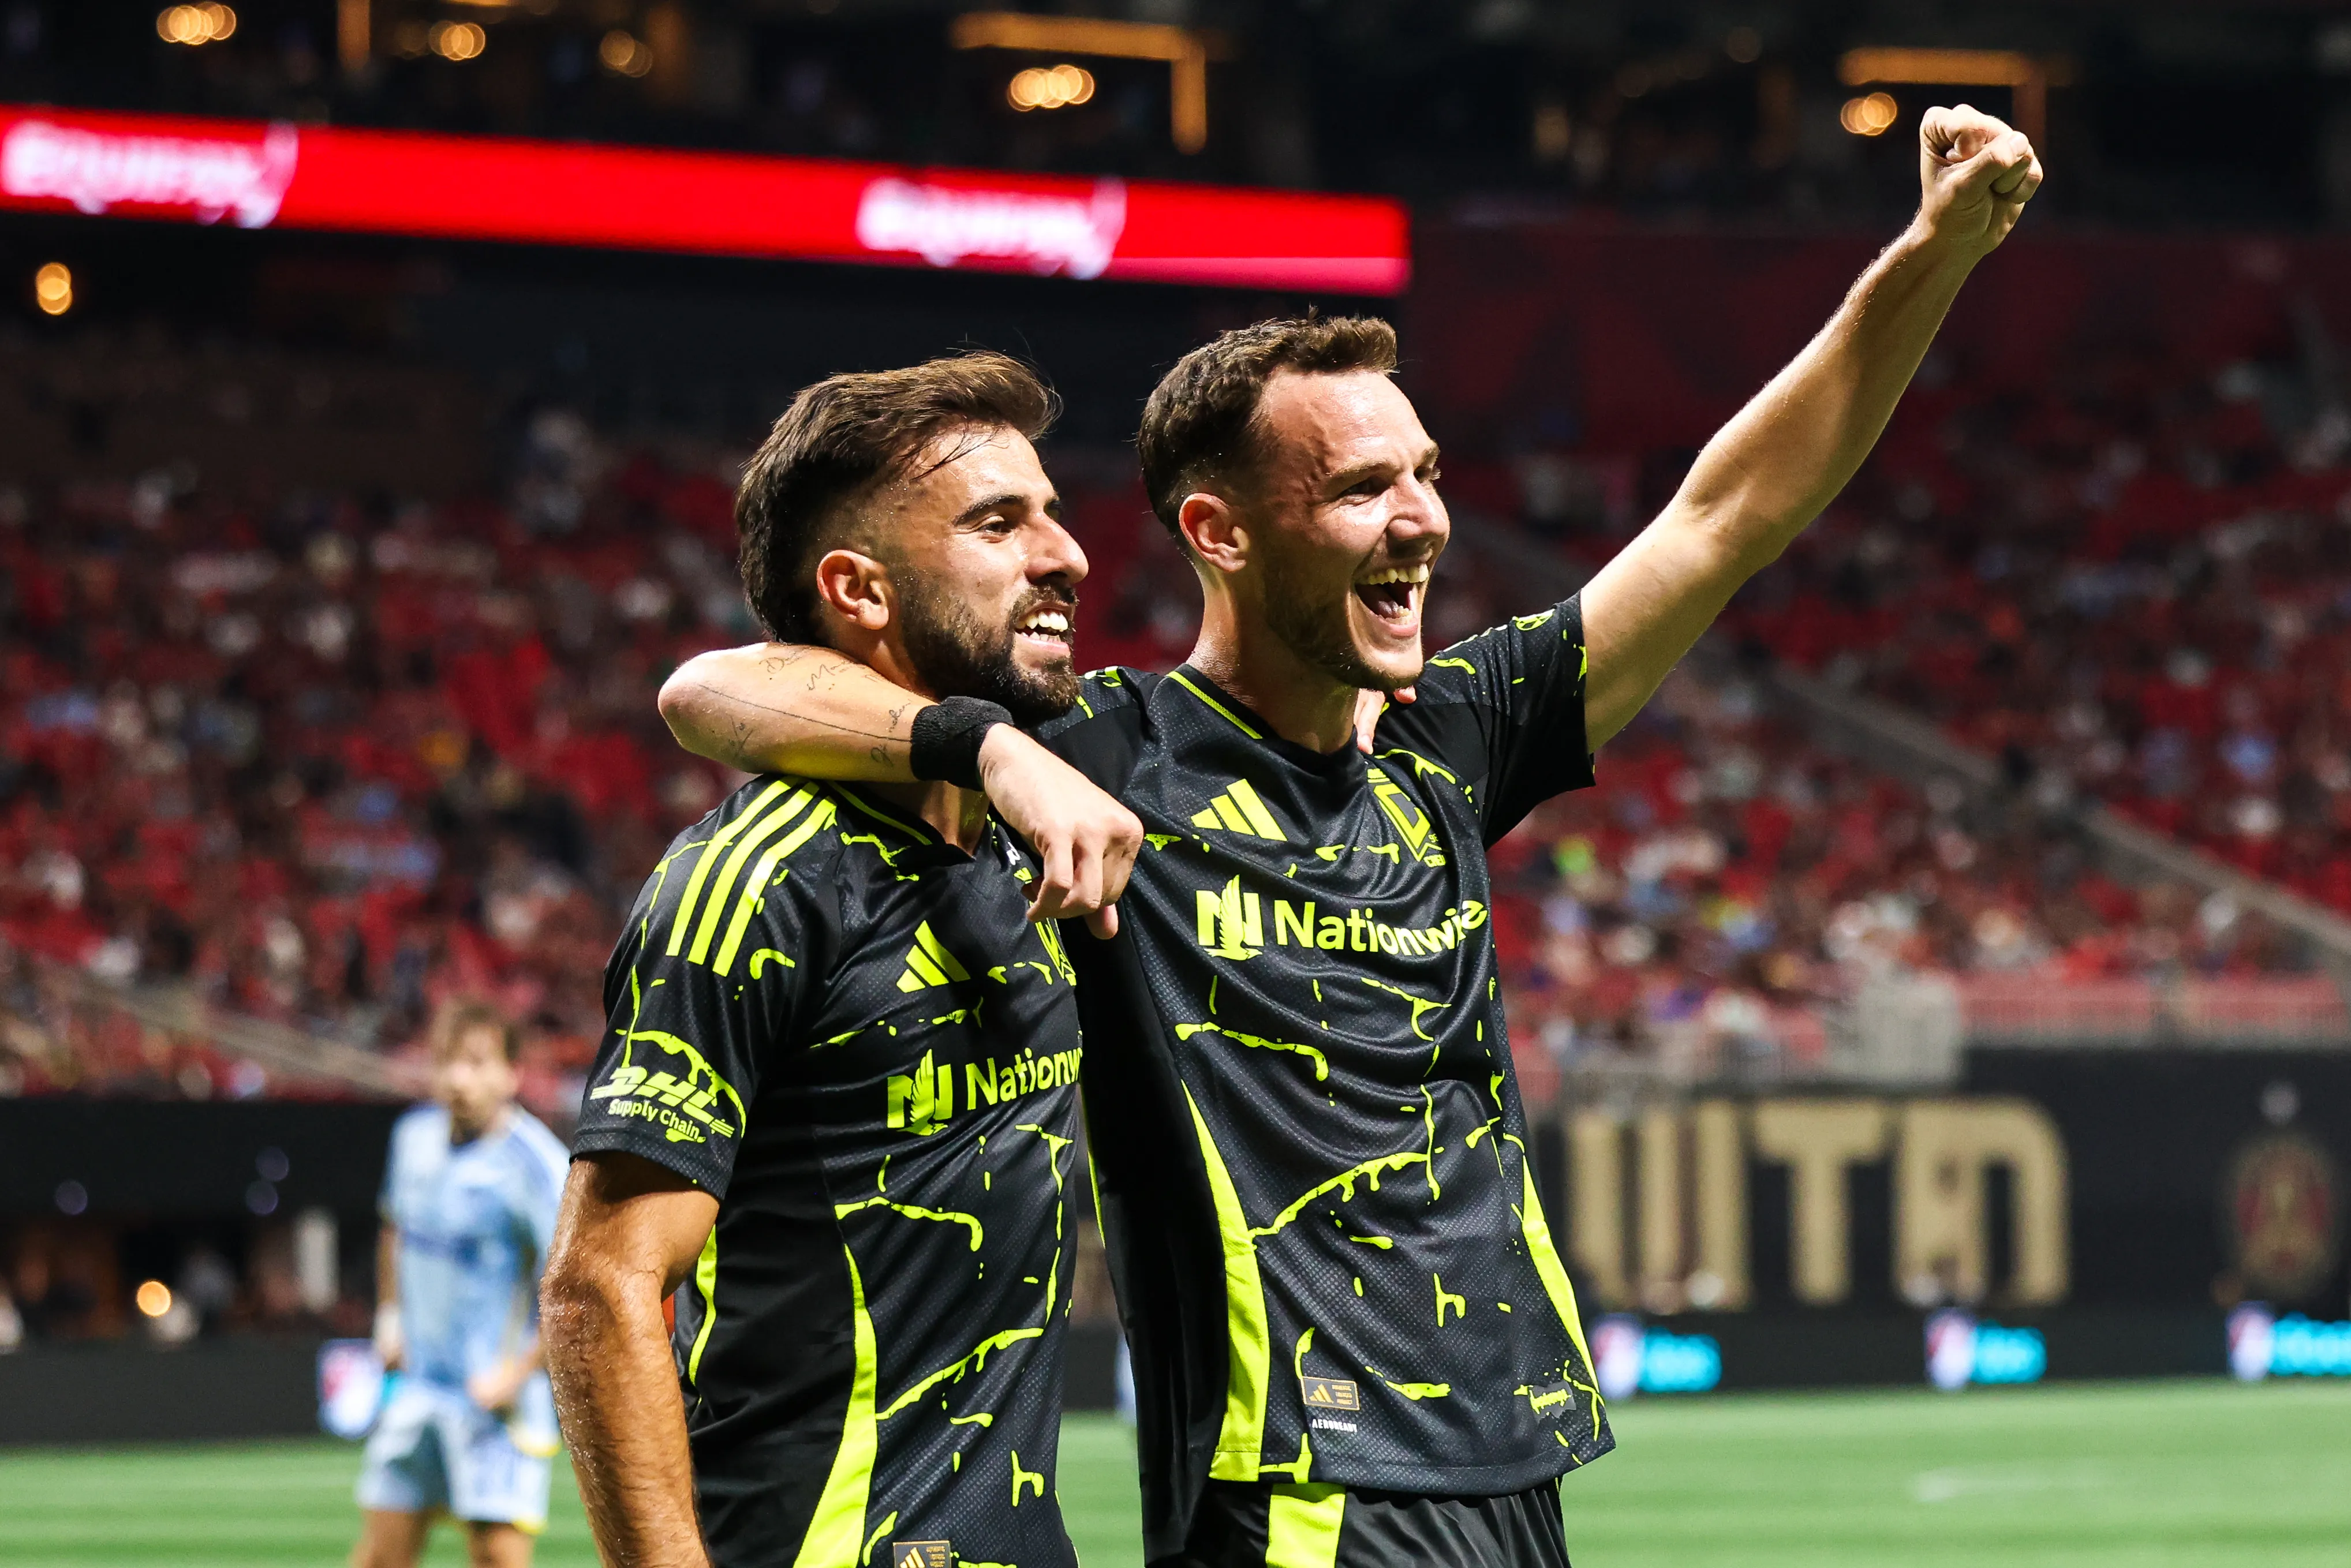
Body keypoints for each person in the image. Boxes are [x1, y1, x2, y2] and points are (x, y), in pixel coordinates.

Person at [656, 107, 2042, 1567]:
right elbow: (711, 689)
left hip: (1515, 1461)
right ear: (1222, 532)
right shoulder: (1108, 757)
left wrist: (1931, 255)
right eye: (1364, 488)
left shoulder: (1454, 739)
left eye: (1426, 472)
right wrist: (992, 747)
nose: (1422, 521)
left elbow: (1725, 516)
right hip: (1294, 1487)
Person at [542, 354, 1123, 1568]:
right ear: (857, 590)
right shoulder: (754, 878)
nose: (1063, 553)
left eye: (1053, 512)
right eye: (997, 520)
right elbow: (602, 1284)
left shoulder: (1033, 823)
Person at [356, 1002, 570, 1568]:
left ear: (511, 1073)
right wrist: (390, 1316)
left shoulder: (538, 1165)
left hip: (494, 1402)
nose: (458, 1079)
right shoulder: (413, 1137)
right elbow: (394, 1229)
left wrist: (520, 1369)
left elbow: (572, 1287)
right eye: (447, 1061)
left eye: (477, 1062)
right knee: (380, 1553)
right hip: (418, 1387)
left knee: (497, 1555)